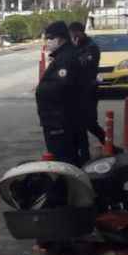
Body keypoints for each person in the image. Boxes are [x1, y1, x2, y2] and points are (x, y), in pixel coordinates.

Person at [36, 21, 86, 166]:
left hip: (61, 121)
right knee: (64, 159)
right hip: (58, 119)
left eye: (50, 38)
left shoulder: (66, 58)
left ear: (61, 38)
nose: (48, 42)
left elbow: (61, 87)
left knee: (64, 162)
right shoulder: (62, 56)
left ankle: (66, 188)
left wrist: (42, 89)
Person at [69, 21, 106, 147]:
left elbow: (83, 64)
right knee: (79, 124)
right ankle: (84, 152)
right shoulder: (76, 45)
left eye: (74, 33)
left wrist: (73, 50)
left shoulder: (91, 47)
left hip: (89, 89)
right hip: (78, 90)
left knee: (90, 122)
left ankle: (108, 143)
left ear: (79, 32)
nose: (73, 36)